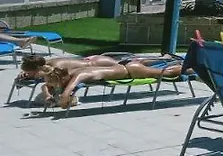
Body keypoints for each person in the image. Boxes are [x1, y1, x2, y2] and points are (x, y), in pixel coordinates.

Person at [19, 54, 186, 109]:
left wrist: (64, 96)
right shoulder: (59, 71)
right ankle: (179, 63)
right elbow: (48, 84)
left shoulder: (77, 74)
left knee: (168, 73)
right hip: (125, 68)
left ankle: (189, 65)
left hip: (130, 71)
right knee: (160, 70)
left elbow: (70, 87)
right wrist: (52, 94)